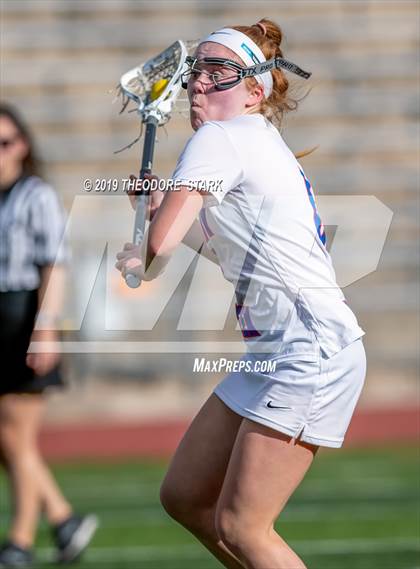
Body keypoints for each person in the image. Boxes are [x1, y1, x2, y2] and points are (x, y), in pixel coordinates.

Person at [116, 19, 366, 569]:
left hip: (309, 351)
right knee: (184, 496)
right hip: (278, 352)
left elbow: (156, 250)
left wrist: (150, 241)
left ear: (255, 90)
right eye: (196, 72)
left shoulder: (219, 138)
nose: (200, 83)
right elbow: (213, 246)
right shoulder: (249, 142)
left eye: (219, 71)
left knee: (243, 526)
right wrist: (162, 217)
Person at [0, 104, 98, 568]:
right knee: (8, 440)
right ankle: (62, 518)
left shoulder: (34, 195)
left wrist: (46, 328)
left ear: (23, 146)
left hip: (23, 317)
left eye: (6, 143)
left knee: (15, 437)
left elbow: (54, 263)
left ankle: (19, 541)